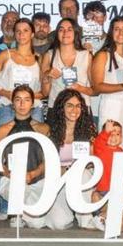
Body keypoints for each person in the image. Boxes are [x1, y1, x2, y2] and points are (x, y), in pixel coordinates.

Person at [0, 86, 50, 225]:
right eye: (18, 100)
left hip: (37, 180)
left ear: (33, 104)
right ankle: (17, 211)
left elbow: (48, 160)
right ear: (12, 103)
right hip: (11, 182)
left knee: (38, 224)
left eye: (26, 100)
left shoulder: (43, 129)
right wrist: (9, 174)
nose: (22, 104)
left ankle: (25, 211)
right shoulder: (3, 130)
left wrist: (33, 174)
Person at [45, 89, 98, 229]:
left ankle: (85, 217)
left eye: (78, 106)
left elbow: (92, 161)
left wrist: (76, 168)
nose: (74, 110)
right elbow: (46, 164)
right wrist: (64, 170)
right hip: (58, 179)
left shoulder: (89, 130)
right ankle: (68, 212)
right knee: (58, 224)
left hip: (81, 178)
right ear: (61, 108)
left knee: (83, 174)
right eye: (69, 105)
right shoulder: (49, 131)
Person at [90, 16, 123, 138]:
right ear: (111, 33)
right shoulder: (103, 55)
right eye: (116, 29)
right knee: (108, 144)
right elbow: (97, 86)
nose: (121, 33)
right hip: (111, 108)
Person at [0, 18, 46, 126]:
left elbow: (44, 91)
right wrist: (6, 94)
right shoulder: (4, 55)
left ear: (32, 34)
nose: (21, 34)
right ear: (15, 34)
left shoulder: (40, 59)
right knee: (4, 135)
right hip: (8, 105)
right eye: (18, 31)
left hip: (33, 107)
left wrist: (29, 97)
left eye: (25, 30)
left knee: (37, 135)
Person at [42, 18, 94, 109]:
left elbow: (95, 91)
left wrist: (79, 88)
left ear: (76, 33)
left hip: (80, 108)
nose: (65, 33)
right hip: (56, 108)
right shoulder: (49, 55)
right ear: (57, 33)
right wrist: (46, 76)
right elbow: (45, 93)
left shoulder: (86, 56)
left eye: (70, 29)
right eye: (61, 30)